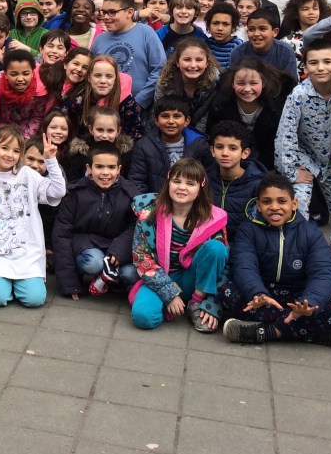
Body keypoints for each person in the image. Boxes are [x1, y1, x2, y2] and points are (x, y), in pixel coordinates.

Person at [220, 174, 331, 347]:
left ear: (294, 204)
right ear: (258, 205)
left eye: (282, 201)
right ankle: (316, 335)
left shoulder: (310, 233)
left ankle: (268, 332)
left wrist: (309, 303)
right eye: (267, 202)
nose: (274, 207)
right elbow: (244, 266)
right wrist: (257, 293)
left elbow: (324, 272)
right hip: (265, 296)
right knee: (226, 291)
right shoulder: (248, 230)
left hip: (299, 297)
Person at [129, 158, 229, 332]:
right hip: (161, 276)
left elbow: (222, 266)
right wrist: (170, 294)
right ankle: (173, 305)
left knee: (216, 248)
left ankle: (195, 303)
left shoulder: (213, 219)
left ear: (200, 187)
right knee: (143, 317)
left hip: (195, 279)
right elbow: (142, 258)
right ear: (169, 182)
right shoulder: (148, 213)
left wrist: (212, 305)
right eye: (176, 181)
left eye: (190, 183)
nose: (182, 187)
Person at [275, 39, 331, 256]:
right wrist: (291, 170)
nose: (320, 68)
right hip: (303, 157)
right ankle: (296, 250)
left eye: (327, 62)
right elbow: (285, 134)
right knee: (298, 204)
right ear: (306, 66)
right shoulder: (298, 95)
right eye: (313, 63)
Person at [0, 126, 65, 308]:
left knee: (35, 299)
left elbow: (58, 191)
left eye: (16, 151)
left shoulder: (28, 174)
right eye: (5, 148)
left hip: (26, 251)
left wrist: (51, 161)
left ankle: (18, 283)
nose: (10, 155)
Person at [53, 142, 140, 299]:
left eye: (111, 167)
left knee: (131, 273)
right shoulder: (75, 193)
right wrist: (70, 283)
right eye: (99, 167)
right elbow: (61, 235)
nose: (105, 173)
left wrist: (120, 250)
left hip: (116, 246)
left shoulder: (130, 194)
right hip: (86, 246)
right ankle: (101, 274)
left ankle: (109, 278)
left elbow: (135, 227)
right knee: (94, 263)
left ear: (119, 169)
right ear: (89, 168)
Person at [205, 57, 285, 170]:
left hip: (266, 166)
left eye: (253, 83)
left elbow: (277, 144)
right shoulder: (220, 106)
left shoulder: (276, 108)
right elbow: (212, 138)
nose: (247, 89)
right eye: (241, 83)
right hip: (227, 164)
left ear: (263, 83)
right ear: (233, 84)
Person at [91, 0, 166, 109]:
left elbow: (159, 69)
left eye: (112, 12)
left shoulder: (146, 32)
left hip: (141, 108)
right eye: (103, 12)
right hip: (105, 109)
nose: (105, 17)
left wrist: (139, 102)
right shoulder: (100, 39)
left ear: (130, 12)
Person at [129, 96, 212, 195]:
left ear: (187, 121)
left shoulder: (199, 145)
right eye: (165, 116)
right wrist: (150, 204)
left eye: (177, 116)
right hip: (155, 202)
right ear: (156, 121)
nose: (171, 121)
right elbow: (137, 182)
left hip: (191, 201)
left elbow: (208, 179)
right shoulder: (144, 146)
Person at [206, 121, 267, 241]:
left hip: (245, 244)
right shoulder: (204, 180)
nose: (225, 153)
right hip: (209, 243)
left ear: (245, 153)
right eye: (219, 147)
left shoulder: (258, 184)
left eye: (232, 148)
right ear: (212, 150)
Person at [152, 37, 219, 135]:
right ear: (177, 62)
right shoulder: (165, 82)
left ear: (207, 63)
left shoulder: (215, 84)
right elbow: (159, 114)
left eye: (199, 60)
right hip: (169, 132)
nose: (193, 65)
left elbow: (205, 120)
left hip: (200, 136)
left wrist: (195, 140)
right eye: (187, 60)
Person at [228, 8, 299, 85]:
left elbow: (290, 84)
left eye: (262, 29)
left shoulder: (285, 51)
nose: (256, 34)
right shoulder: (238, 52)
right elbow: (233, 83)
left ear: (275, 32)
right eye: (251, 29)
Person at [204, 3, 242, 72]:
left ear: (233, 27)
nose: (220, 28)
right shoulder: (207, 43)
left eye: (225, 24)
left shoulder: (237, 45)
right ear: (208, 26)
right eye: (215, 23)